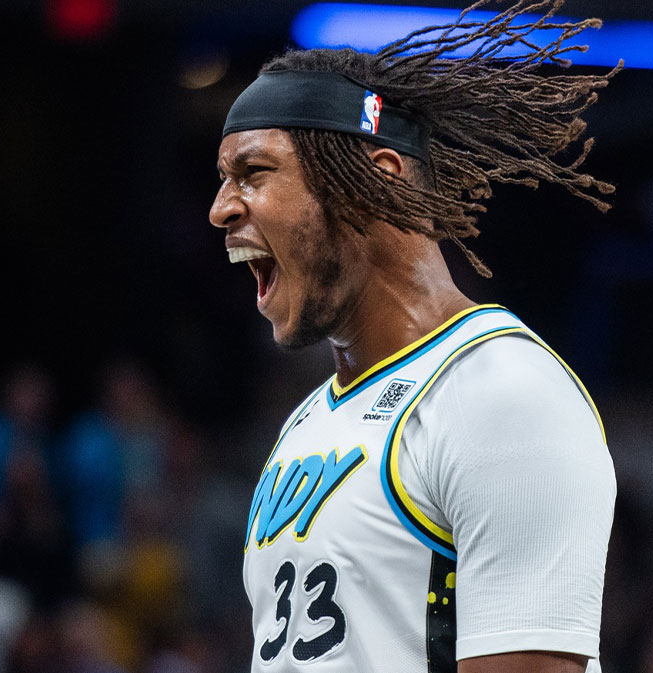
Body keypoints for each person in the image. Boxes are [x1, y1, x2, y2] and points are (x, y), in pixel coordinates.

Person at [208, 2, 619, 672]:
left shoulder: (501, 396)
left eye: (254, 173)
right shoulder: (307, 421)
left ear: (376, 181)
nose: (220, 208)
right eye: (224, 179)